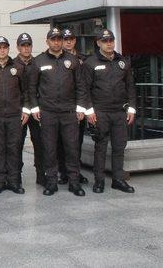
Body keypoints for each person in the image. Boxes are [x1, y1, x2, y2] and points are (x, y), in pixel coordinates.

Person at [27, 27, 87, 197]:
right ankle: (51, 182)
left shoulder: (73, 60)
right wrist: (35, 108)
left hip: (69, 112)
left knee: (72, 148)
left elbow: (81, 86)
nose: (56, 42)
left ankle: (74, 182)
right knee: (49, 149)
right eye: (53, 39)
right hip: (48, 112)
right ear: (47, 41)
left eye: (59, 39)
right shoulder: (38, 61)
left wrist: (81, 108)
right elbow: (31, 88)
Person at [82, 29, 137, 194]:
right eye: (105, 41)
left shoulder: (123, 61)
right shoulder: (90, 63)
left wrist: (132, 109)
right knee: (101, 147)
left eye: (111, 40)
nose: (109, 44)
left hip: (119, 112)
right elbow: (85, 89)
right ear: (98, 43)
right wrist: (89, 111)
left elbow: (130, 87)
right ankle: (99, 181)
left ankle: (118, 180)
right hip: (100, 112)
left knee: (119, 147)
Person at [0, 36, 30, 194]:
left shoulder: (18, 67)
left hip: (14, 116)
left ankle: (14, 181)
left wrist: (25, 110)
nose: (2, 50)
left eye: (5, 47)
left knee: (14, 148)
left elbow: (26, 91)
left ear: (8, 49)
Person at [57, 28, 89, 185]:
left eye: (71, 39)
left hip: (79, 108)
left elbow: (87, 85)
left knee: (77, 142)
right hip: (63, 108)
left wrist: (84, 107)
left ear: (75, 40)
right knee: (62, 142)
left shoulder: (83, 59)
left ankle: (76, 172)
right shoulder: (56, 58)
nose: (68, 41)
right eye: (65, 39)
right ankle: (63, 172)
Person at [14, 33, 45, 185]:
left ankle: (41, 175)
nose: (26, 48)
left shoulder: (38, 63)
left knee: (40, 143)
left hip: (37, 110)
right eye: (23, 45)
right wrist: (24, 108)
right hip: (20, 111)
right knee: (17, 143)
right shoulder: (12, 65)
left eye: (28, 45)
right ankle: (17, 176)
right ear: (18, 47)